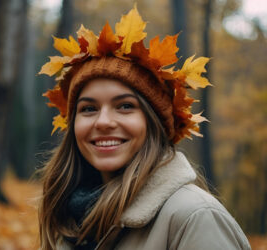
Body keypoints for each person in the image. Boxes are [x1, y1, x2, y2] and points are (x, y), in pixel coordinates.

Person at [37, 6, 251, 250]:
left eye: (125, 106)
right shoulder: (67, 218)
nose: (103, 121)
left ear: (153, 123)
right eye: (88, 109)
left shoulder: (195, 217)